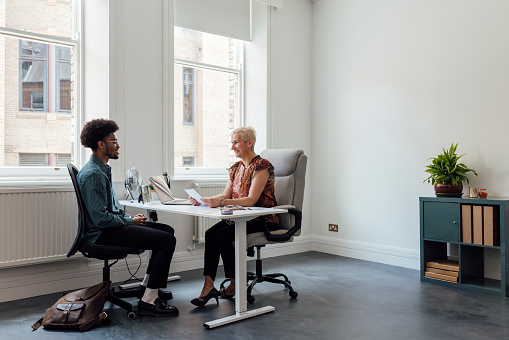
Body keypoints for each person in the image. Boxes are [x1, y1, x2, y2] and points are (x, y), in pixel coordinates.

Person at [77, 119, 179, 317]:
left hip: (108, 229)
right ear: (101, 144)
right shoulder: (93, 174)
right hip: (101, 234)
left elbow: (110, 209)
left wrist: (128, 218)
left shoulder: (101, 170)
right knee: (167, 240)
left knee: (166, 231)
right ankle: (149, 301)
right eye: (113, 141)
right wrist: (129, 221)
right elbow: (100, 219)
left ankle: (148, 286)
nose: (118, 145)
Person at [190, 126, 279, 307]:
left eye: (236, 142)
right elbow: (225, 195)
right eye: (232, 143)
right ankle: (209, 285)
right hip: (242, 218)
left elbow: (251, 200)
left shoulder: (262, 166)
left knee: (221, 235)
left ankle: (235, 283)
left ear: (249, 142)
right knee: (210, 234)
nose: (232, 147)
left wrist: (222, 203)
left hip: (263, 219)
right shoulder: (236, 168)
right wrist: (204, 200)